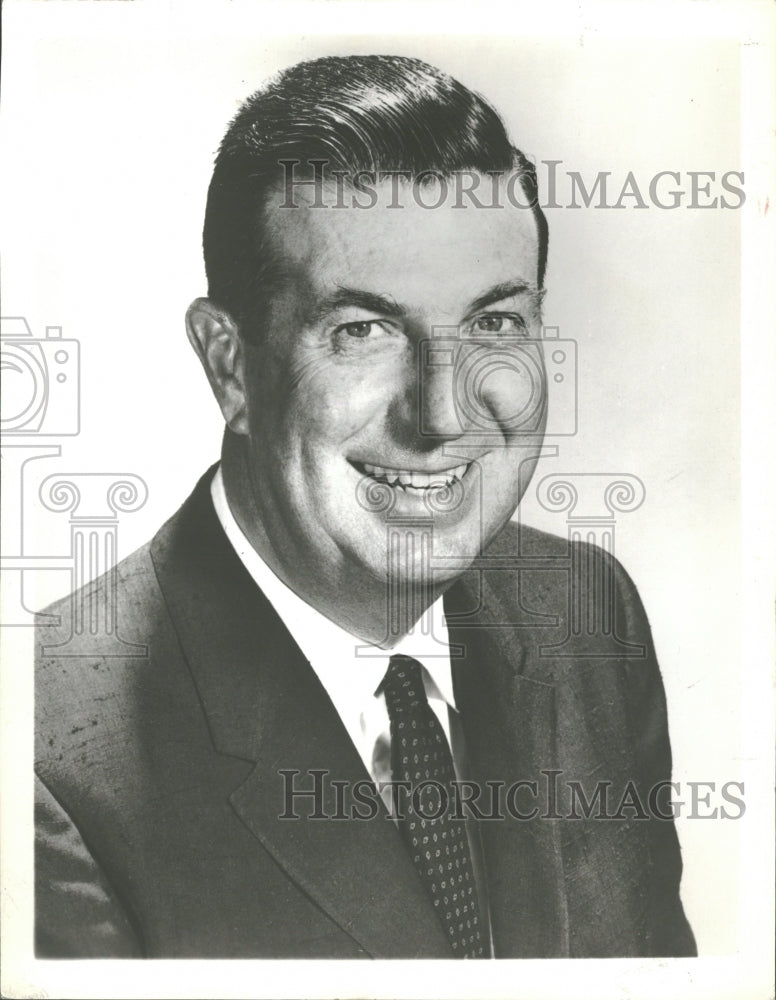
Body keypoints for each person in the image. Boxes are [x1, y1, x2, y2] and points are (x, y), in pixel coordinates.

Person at [34, 54, 696, 959]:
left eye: (495, 323)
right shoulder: (42, 760)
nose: (444, 413)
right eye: (362, 332)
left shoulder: (586, 612)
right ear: (230, 364)